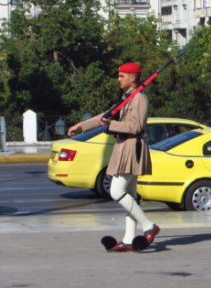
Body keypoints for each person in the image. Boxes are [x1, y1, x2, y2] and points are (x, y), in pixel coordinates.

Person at [67, 62, 160, 252]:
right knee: (130, 196)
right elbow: (105, 116)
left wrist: (111, 125)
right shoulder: (127, 97)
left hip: (131, 147)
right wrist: (81, 126)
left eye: (122, 76)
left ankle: (149, 226)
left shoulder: (139, 98)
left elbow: (136, 127)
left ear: (133, 78)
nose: (118, 79)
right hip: (123, 146)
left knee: (116, 191)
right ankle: (128, 239)